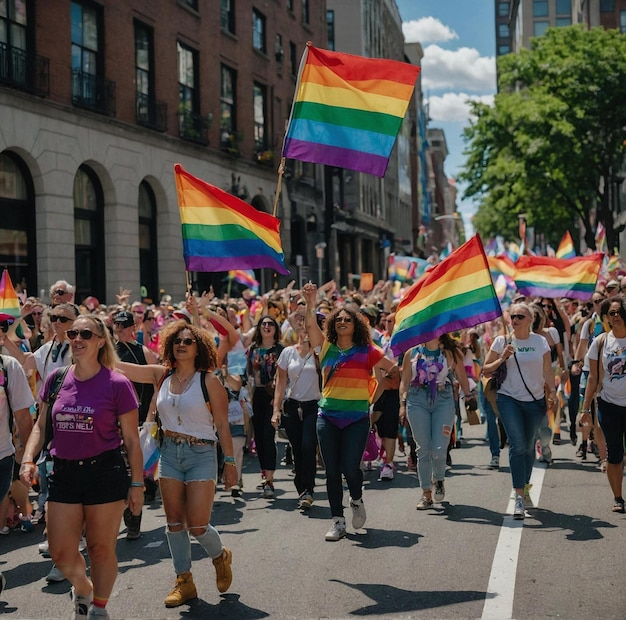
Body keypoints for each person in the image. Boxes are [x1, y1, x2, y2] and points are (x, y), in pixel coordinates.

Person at [19, 314, 143, 620]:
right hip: (62, 472)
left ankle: (98, 607)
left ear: (101, 341)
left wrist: (137, 484)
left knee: (101, 550)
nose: (77, 339)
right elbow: (41, 425)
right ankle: (83, 587)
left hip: (105, 472)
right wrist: (28, 457)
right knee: (60, 552)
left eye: (86, 334)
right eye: (73, 333)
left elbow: (131, 439)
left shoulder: (118, 383)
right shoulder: (57, 378)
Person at [116, 320, 236, 608]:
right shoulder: (161, 375)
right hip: (169, 452)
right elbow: (120, 366)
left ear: (199, 348)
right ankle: (184, 581)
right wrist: (99, 339)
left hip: (201, 454)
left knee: (197, 526)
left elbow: (221, 423)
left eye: (188, 341)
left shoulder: (209, 381)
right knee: (174, 523)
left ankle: (220, 556)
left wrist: (230, 462)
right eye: (177, 341)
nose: (181, 344)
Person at [302, 283, 399, 541]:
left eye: (348, 319)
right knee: (332, 471)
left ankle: (356, 499)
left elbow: (392, 371)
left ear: (356, 325)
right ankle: (338, 521)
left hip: (356, 419)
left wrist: (373, 395)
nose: (343, 322)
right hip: (328, 417)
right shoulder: (326, 348)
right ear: (333, 325)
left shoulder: (367, 351)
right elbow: (310, 325)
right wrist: (311, 301)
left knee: (350, 469)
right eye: (339, 319)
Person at [483, 303, 554, 520]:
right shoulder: (502, 340)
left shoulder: (540, 341)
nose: (515, 319)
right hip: (509, 399)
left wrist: (551, 394)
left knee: (529, 445)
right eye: (512, 316)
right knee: (518, 444)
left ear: (530, 319)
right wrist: (502, 357)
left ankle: (525, 485)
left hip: (535, 400)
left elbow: (548, 371)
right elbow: (485, 370)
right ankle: (519, 497)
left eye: (520, 316)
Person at [399, 333, 473, 510]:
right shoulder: (412, 352)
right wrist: (402, 404)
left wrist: (469, 395)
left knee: (440, 448)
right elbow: (405, 381)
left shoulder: (450, 352)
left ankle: (438, 479)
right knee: (423, 448)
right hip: (416, 400)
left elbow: (462, 375)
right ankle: (426, 494)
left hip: (443, 398)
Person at [580, 296, 626, 513]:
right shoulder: (600, 342)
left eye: (618, 312)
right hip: (609, 405)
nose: (614, 316)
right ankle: (618, 498)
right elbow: (592, 377)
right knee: (614, 454)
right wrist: (585, 408)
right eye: (611, 313)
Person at [272, 310, 321, 510]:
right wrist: (276, 409)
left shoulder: (319, 352)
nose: (305, 329)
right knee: (297, 449)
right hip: (292, 406)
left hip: (313, 407)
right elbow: (280, 383)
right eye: (302, 326)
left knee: (308, 446)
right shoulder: (287, 353)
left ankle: (308, 489)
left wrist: (309, 307)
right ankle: (302, 488)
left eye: (308, 326)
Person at [246, 315, 284, 499]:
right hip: (256, 396)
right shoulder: (252, 350)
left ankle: (270, 479)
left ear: (276, 329)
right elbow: (248, 375)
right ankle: (264, 472)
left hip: (273, 397)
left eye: (271, 324)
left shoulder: (281, 350)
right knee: (259, 438)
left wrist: (279, 399)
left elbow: (286, 376)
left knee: (269, 437)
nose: (267, 326)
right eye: (264, 324)